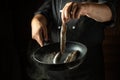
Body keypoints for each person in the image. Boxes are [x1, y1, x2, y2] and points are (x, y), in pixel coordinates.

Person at [28, 0, 117, 80]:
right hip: (55, 71)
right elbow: (43, 12)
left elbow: (111, 12)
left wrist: (86, 7)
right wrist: (37, 21)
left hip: (88, 68)